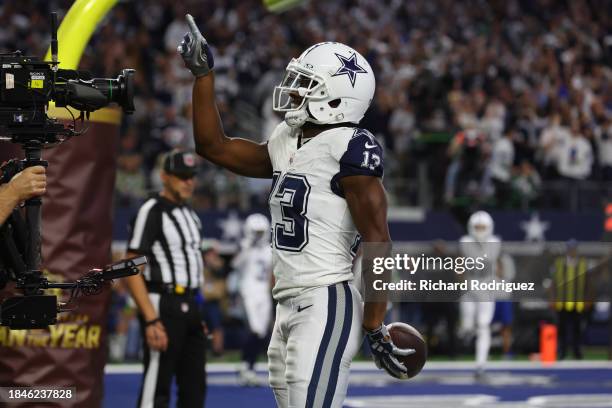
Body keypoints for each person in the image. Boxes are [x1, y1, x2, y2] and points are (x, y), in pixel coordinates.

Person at [178, 15, 413, 407]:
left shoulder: (352, 146)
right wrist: (203, 76)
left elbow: (378, 241)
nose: (294, 91)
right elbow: (213, 146)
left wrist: (374, 324)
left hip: (325, 299)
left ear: (337, 98)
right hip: (286, 302)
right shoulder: (287, 138)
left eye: (307, 84)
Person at [124, 150, 207, 408]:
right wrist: (151, 319)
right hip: (164, 303)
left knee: (194, 390)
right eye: (182, 176)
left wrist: (197, 312)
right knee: (156, 389)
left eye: (191, 176)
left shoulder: (190, 215)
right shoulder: (152, 211)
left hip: (190, 304)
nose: (188, 182)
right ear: (164, 177)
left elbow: (192, 268)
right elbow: (132, 265)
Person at [459, 210, 502, 380]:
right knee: (467, 326)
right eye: (477, 227)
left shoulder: (495, 242)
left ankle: (480, 364)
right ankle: (468, 335)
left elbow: (491, 263)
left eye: (482, 227)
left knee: (483, 325)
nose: (480, 230)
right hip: (470, 287)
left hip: (486, 287)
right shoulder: (465, 242)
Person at [231, 213, 273, 385]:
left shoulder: (269, 249)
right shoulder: (244, 247)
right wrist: (247, 248)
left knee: (261, 332)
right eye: (255, 232)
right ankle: (247, 366)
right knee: (255, 329)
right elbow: (235, 265)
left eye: (260, 232)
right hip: (248, 292)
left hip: (264, 293)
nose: (258, 235)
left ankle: (247, 366)